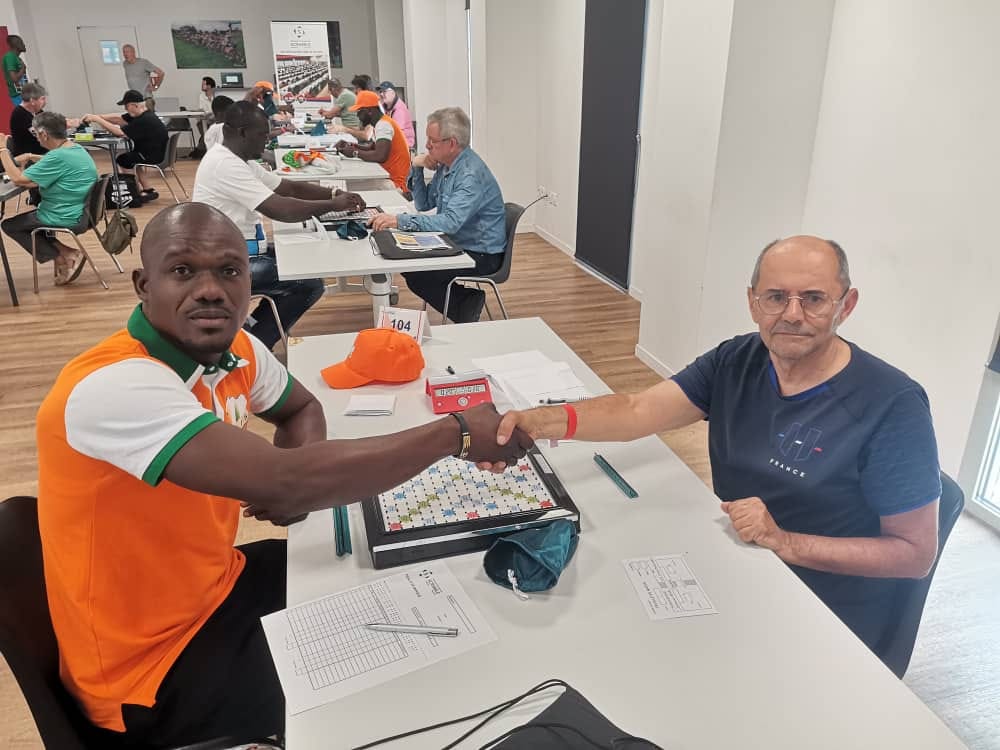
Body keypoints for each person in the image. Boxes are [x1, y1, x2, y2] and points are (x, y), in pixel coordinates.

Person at [34, 201, 532, 747]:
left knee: (389, 584)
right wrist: (454, 433)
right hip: (149, 672)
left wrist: (299, 486)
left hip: (217, 584)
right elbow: (285, 478)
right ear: (143, 285)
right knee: (391, 696)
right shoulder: (113, 386)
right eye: (182, 270)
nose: (210, 290)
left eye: (229, 270)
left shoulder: (236, 349)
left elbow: (301, 410)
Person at [489, 236, 942, 656]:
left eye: (814, 299)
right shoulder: (737, 360)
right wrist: (536, 421)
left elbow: (914, 554)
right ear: (752, 302)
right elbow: (635, 411)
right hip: (737, 567)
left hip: (821, 614)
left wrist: (783, 541)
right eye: (776, 297)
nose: (792, 314)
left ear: (847, 305)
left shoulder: (892, 404)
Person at [192, 101, 364, 349]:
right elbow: (281, 209)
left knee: (301, 260)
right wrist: (332, 205)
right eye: (263, 135)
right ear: (242, 133)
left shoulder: (239, 160)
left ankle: (251, 331)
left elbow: (289, 188)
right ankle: (253, 346)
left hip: (240, 249)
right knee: (307, 284)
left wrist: (334, 193)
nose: (267, 141)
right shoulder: (225, 165)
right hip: (224, 263)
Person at [371, 107, 505, 324]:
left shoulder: (469, 174)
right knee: (411, 267)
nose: (427, 146)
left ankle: (467, 304)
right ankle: (466, 303)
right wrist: (417, 167)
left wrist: (399, 220)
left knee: (418, 273)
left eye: (432, 141)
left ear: (451, 143)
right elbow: (424, 204)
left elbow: (450, 223)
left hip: (482, 254)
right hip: (458, 242)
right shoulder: (447, 166)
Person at [0, 111, 98, 285]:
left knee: (11, 225)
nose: (36, 138)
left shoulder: (57, 157)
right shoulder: (75, 149)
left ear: (44, 134)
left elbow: (18, 179)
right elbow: (53, 164)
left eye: (35, 133)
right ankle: (67, 253)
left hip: (65, 215)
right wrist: (31, 156)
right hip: (83, 212)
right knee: (30, 223)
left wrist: (2, 150)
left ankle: (62, 257)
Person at [83, 89, 169, 201]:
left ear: (134, 105)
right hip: (153, 152)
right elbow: (119, 118)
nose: (125, 109)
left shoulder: (144, 120)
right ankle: (148, 190)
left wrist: (98, 120)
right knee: (132, 159)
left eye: (126, 106)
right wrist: (97, 117)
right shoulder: (145, 115)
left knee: (124, 160)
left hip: (152, 155)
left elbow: (119, 132)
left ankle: (134, 192)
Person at [334, 90, 411, 191]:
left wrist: (354, 153)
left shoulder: (383, 125)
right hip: (388, 177)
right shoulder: (382, 122)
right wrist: (352, 145)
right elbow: (372, 148)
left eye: (359, 112)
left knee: (345, 189)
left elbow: (380, 156)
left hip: (394, 184)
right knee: (346, 186)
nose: (357, 116)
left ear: (369, 111)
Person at [8, 81, 46, 158]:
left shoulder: (38, 111)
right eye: (42, 99)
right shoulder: (19, 114)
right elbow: (41, 136)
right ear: (32, 101)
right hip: (28, 158)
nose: (45, 102)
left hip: (41, 152)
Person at [377, 81, 415, 149]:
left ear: (393, 93)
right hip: (394, 142)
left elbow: (395, 132)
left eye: (384, 91)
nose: (381, 94)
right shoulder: (384, 106)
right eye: (380, 92)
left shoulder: (399, 109)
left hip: (404, 146)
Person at [3, 34, 27, 105]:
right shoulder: (10, 57)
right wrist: (23, 68)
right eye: (21, 42)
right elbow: (14, 78)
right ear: (16, 45)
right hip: (18, 96)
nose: (24, 45)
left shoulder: (17, 58)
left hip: (23, 94)